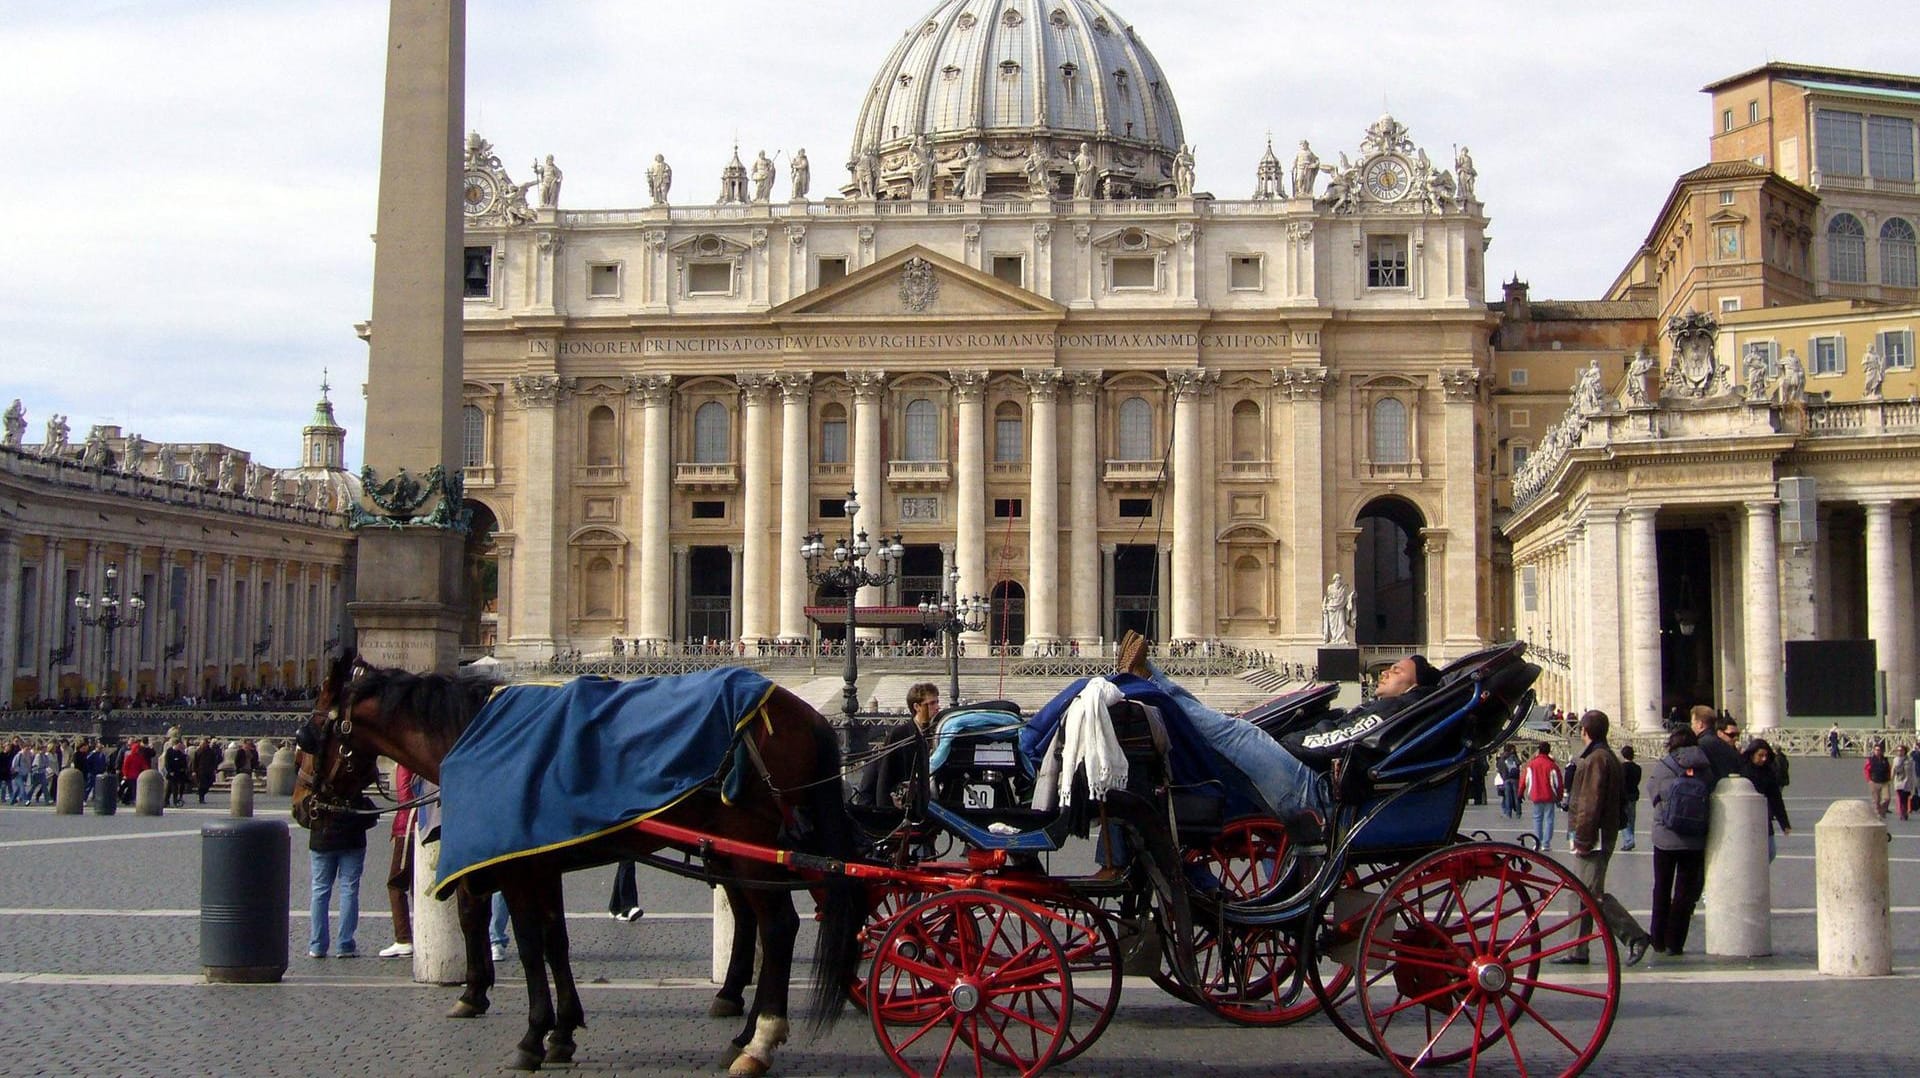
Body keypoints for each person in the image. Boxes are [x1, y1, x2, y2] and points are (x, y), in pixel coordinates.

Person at [1556, 710, 1651, 967]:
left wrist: (1583, 837)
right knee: (1579, 891)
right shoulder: (1604, 756)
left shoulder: (1597, 759)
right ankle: (1577, 949)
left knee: (1591, 893)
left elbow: (1590, 802)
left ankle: (1635, 936)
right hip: (1594, 831)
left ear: (1584, 732)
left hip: (1592, 833)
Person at [1647, 729, 1711, 956]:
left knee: (1662, 887)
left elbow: (1652, 789)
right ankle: (1676, 942)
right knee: (1685, 892)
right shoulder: (1705, 764)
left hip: (1665, 835)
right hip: (1694, 836)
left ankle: (1658, 939)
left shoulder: (1665, 764)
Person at [307, 794, 378, 958]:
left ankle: (317, 945)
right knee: (349, 889)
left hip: (322, 831)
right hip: (352, 831)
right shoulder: (355, 770)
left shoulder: (319, 770)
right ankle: (345, 944)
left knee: (320, 890)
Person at [856, 682, 941, 809]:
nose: (937, 707)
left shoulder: (923, 733)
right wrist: (886, 810)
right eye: (932, 703)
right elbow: (885, 774)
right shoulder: (900, 733)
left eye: (937, 702)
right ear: (917, 706)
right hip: (879, 806)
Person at [379, 764, 419, 959]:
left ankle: (403, 938)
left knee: (396, 883)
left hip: (408, 827)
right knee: (418, 886)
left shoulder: (407, 763)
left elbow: (405, 794)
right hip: (420, 824)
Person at [1743, 739, 1792, 860]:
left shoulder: (1768, 772)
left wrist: (1784, 823)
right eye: (1760, 755)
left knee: (1771, 852)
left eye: (1766, 756)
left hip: (1763, 816)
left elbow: (1776, 798)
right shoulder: (1743, 769)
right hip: (1745, 817)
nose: (1764, 759)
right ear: (1752, 754)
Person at [1520, 742, 1563, 851]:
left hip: (1536, 794)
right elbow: (1558, 783)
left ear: (1539, 750)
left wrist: (1520, 793)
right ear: (1549, 751)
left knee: (1537, 818)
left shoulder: (1531, 764)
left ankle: (1537, 842)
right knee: (1549, 819)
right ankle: (1546, 844)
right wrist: (1560, 796)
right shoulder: (1552, 765)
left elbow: (1524, 779)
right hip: (1550, 795)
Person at [1687, 705, 1744, 782]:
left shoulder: (1700, 744)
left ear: (1700, 724)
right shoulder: (1723, 744)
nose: (1692, 726)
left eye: (1692, 723)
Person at [1617, 745, 1642, 851]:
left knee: (1623, 818)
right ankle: (1630, 838)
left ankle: (1629, 840)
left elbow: (1620, 782)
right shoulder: (1638, 768)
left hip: (1624, 795)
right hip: (1634, 794)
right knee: (1631, 819)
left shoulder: (1622, 768)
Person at [1864, 741, 1893, 818]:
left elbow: (1889, 769)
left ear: (1881, 751)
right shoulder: (1870, 760)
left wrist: (1889, 778)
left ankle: (1882, 811)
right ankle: (1877, 814)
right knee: (1876, 801)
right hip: (1874, 781)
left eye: (1879, 750)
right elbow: (1866, 770)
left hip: (1885, 782)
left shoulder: (1885, 759)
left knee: (1887, 798)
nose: (1878, 751)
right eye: (1876, 750)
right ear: (1874, 751)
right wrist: (1869, 780)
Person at [1495, 744, 1522, 818]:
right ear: (1511, 749)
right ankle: (1518, 813)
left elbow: (1498, 767)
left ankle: (1508, 813)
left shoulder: (1501, 757)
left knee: (1507, 797)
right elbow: (1519, 763)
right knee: (1516, 796)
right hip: (1514, 778)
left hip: (1506, 779)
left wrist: (1503, 775)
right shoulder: (1513, 756)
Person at [190, 737, 220, 803]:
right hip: (200, 770)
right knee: (202, 784)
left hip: (209, 770)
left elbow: (214, 761)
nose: (203, 744)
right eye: (202, 743)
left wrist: (215, 769)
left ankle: (202, 794)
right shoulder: (198, 751)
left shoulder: (211, 751)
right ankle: (201, 797)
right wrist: (194, 771)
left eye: (204, 743)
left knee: (209, 783)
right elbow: (195, 761)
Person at [1893, 744, 1913, 822]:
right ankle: (1902, 813)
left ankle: (1904, 813)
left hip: (1907, 782)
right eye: (1898, 750)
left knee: (1904, 798)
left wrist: (1912, 783)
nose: (1899, 752)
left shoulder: (1909, 760)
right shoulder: (1895, 759)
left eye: (1901, 750)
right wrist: (1890, 779)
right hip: (1898, 781)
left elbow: (1911, 772)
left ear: (1905, 751)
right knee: (1901, 798)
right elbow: (1894, 770)